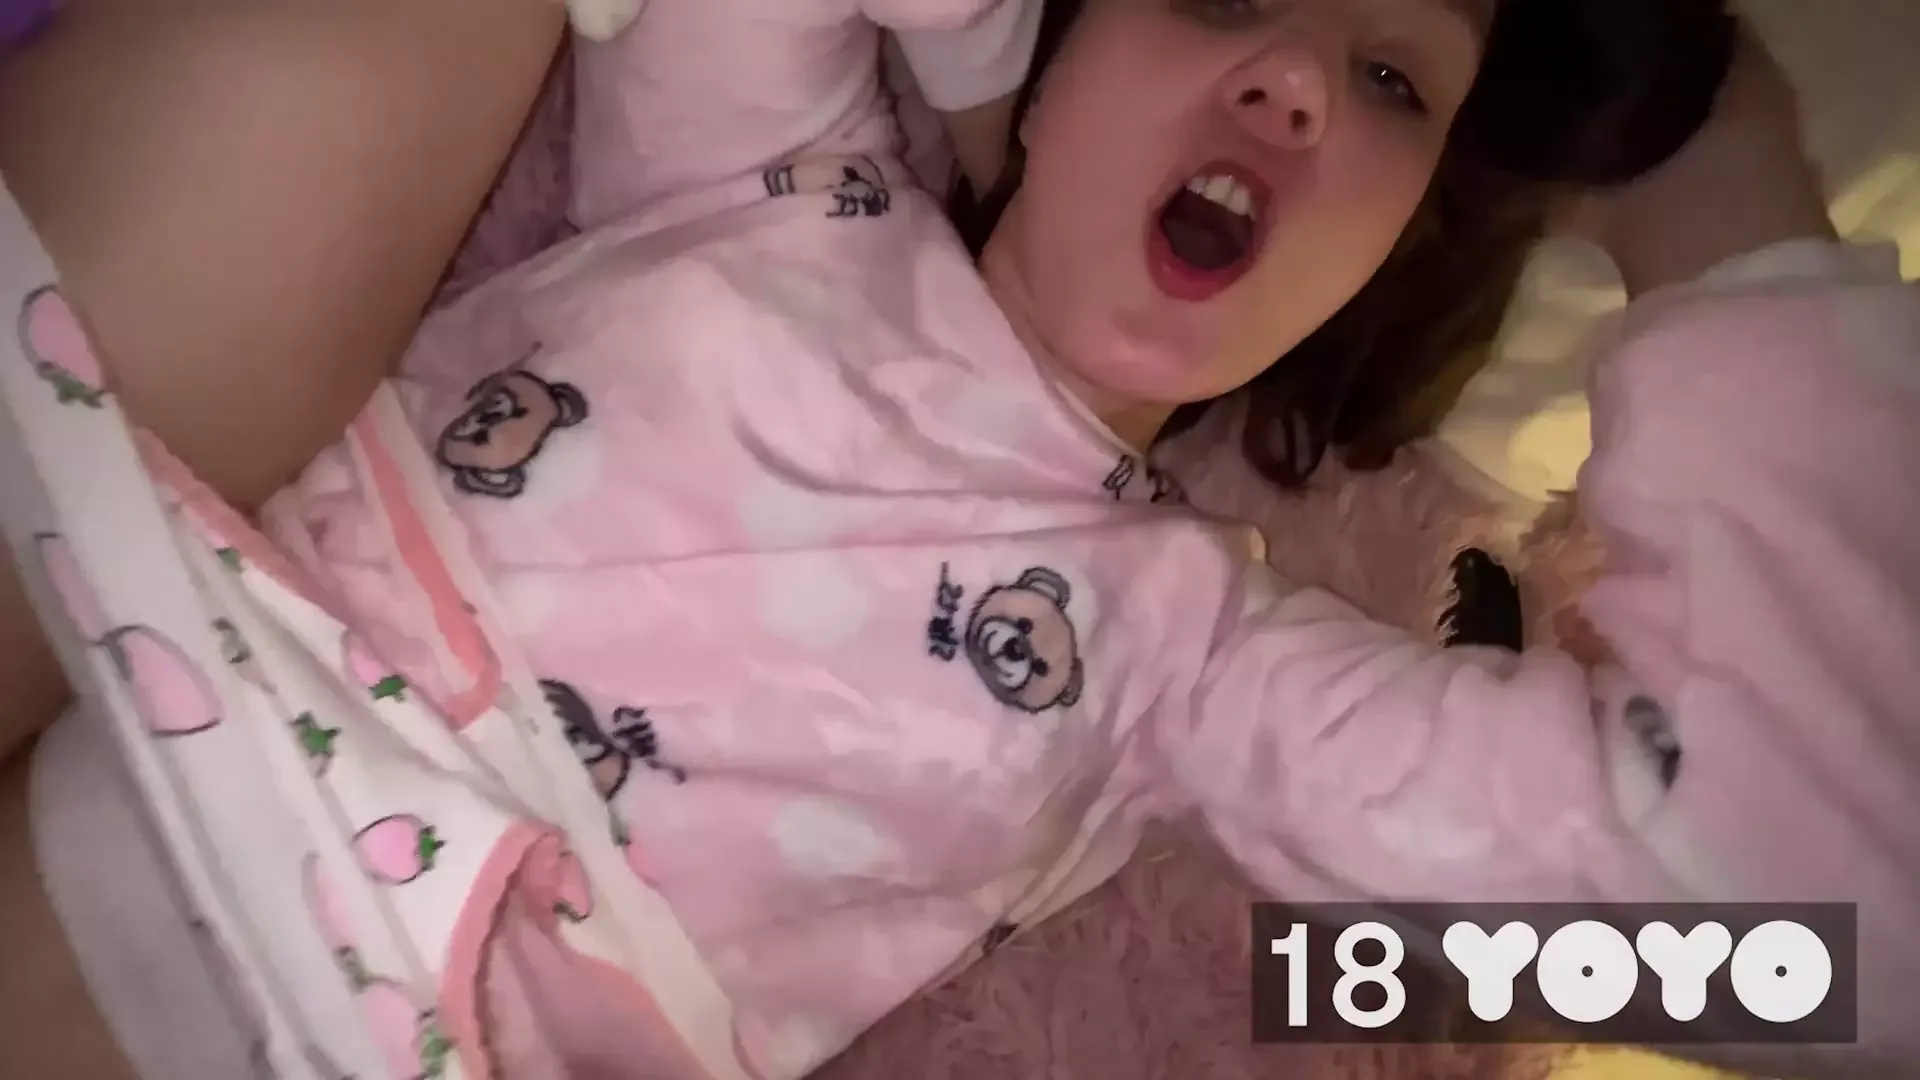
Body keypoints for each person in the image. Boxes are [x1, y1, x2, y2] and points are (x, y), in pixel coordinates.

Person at [0, 3, 1912, 1080]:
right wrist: (979, 87)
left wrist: (1717, 184)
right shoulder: (770, 177)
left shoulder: (1195, 658)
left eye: (1394, 80)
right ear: (1063, 55)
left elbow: (1819, 945)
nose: (1299, 80)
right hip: (121, 689)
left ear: (1380, 252)